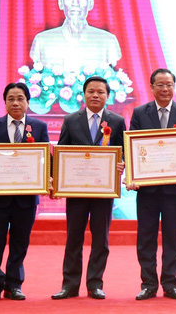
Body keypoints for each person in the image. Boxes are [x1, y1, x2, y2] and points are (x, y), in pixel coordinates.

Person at [0, 83, 50, 302]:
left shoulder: (39, 127)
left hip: (26, 199)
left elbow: (46, 159)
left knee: (19, 244)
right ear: (5, 102)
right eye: (11, 99)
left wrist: (49, 178)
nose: (15, 103)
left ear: (28, 102)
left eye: (20, 98)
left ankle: (14, 285)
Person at [51, 76, 126, 300]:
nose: (95, 95)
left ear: (107, 96)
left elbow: (124, 152)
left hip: (104, 190)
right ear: (83, 94)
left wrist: (123, 164)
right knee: (73, 238)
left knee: (101, 239)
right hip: (76, 190)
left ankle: (95, 284)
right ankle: (70, 285)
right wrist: (57, 180)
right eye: (91, 91)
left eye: (100, 92)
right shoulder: (71, 120)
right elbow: (61, 152)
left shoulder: (117, 121)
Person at [128, 68, 176, 301]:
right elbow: (133, 148)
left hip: (174, 188)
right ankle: (148, 284)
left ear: (174, 86)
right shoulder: (140, 113)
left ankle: (170, 283)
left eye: (169, 84)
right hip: (147, 189)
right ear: (151, 87)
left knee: (172, 238)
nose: (165, 89)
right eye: (160, 84)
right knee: (145, 238)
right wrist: (134, 176)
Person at [29, 0, 121, 72]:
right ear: (60, 2)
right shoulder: (42, 40)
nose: (75, 3)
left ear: (90, 3)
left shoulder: (108, 40)